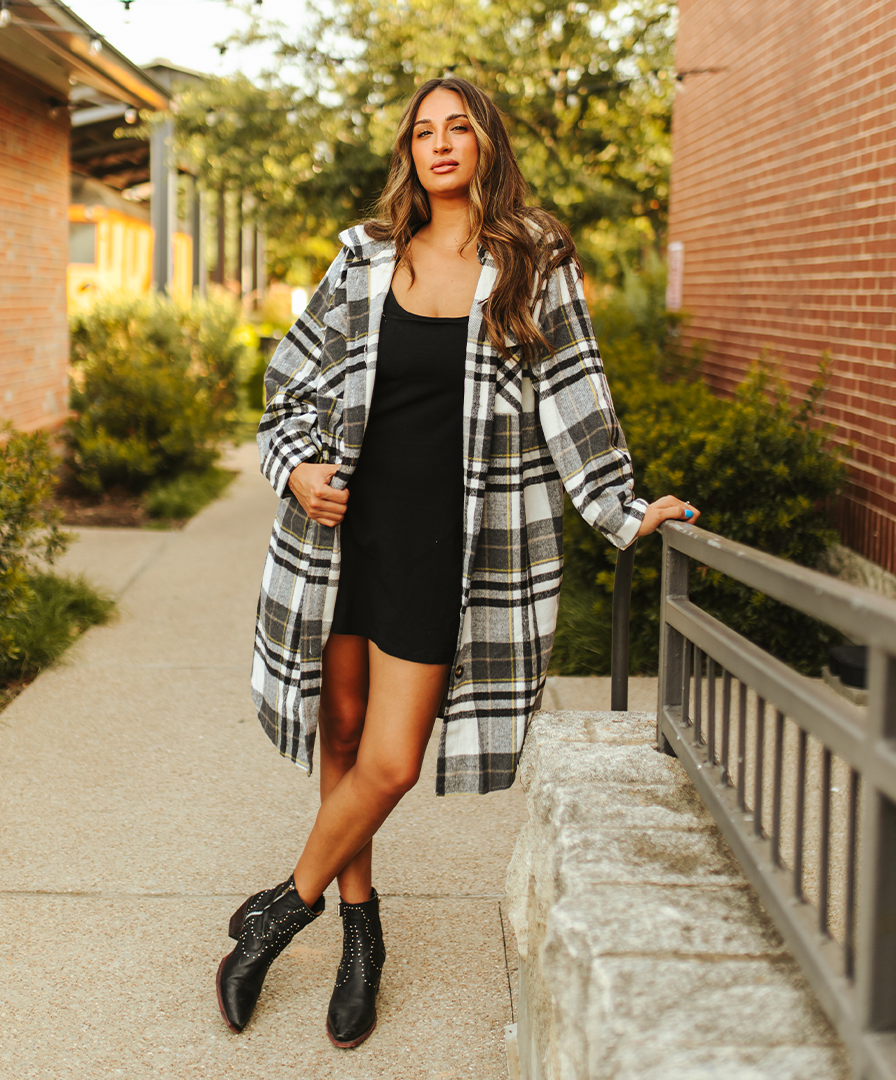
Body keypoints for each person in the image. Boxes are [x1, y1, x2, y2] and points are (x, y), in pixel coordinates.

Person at [217, 76, 700, 1049]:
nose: (442, 144)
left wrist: (620, 506)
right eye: (425, 131)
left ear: (486, 142)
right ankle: (361, 933)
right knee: (343, 734)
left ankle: (278, 912)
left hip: (448, 547)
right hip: (344, 534)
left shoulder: (532, 260)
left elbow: (577, 396)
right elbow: (290, 381)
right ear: (412, 150)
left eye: (460, 127)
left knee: (391, 761)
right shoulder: (365, 257)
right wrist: (299, 468)